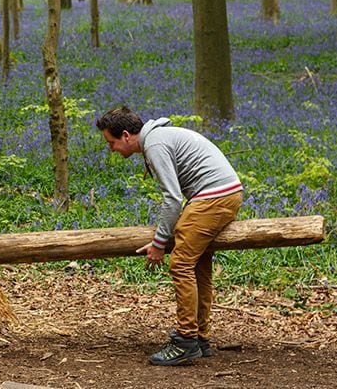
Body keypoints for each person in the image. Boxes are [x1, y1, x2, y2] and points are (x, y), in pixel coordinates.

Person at [95, 107, 242, 366]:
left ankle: (186, 340)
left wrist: (159, 243)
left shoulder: (155, 143)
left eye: (112, 142)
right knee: (199, 266)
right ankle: (200, 338)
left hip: (213, 197)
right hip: (224, 194)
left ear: (127, 135)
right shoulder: (159, 137)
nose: (112, 149)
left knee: (182, 264)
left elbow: (172, 199)